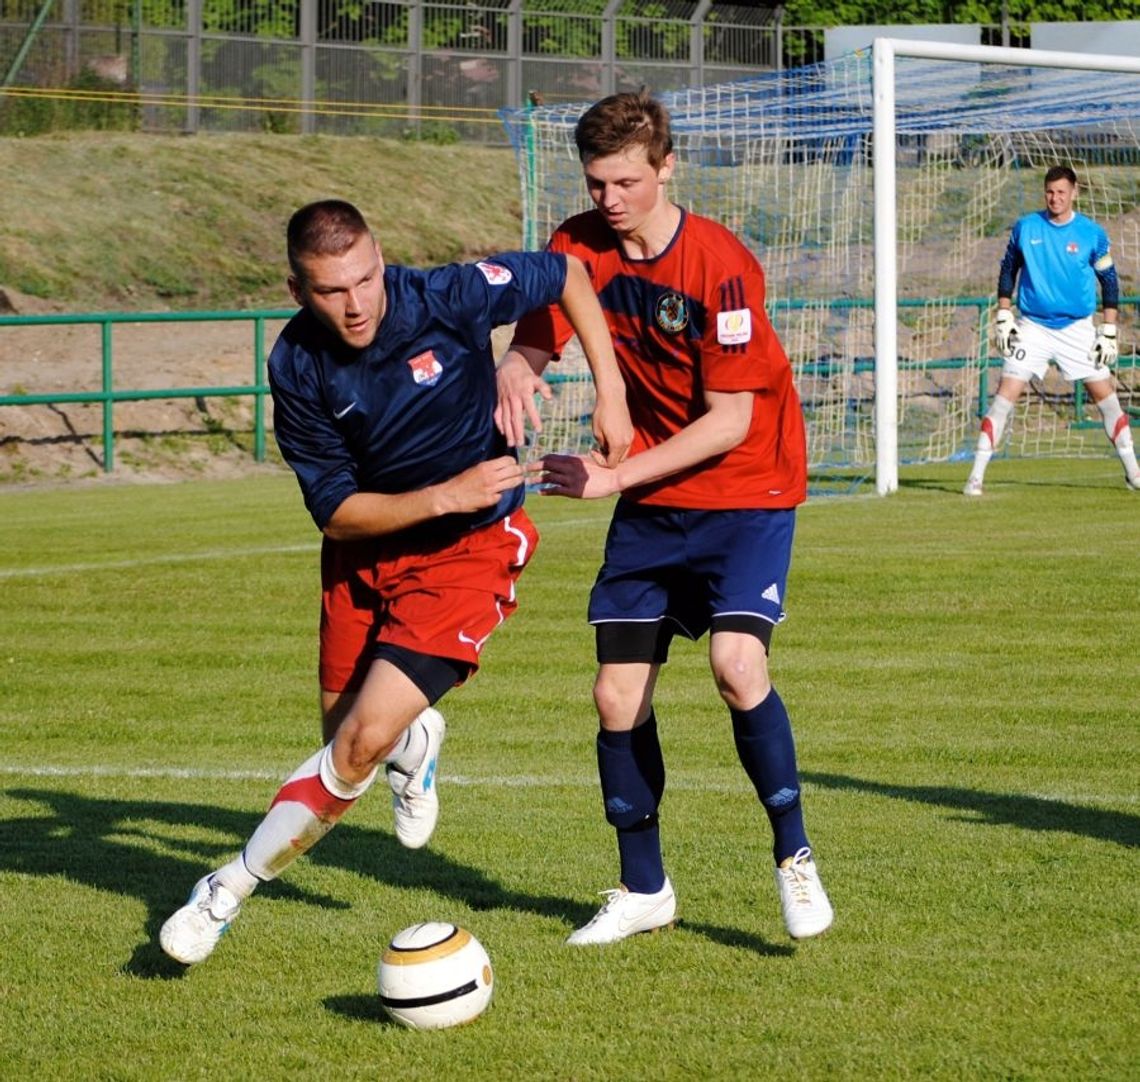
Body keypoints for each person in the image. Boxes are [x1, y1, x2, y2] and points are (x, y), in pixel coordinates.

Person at [159, 199, 631, 965]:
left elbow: (570, 274)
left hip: (469, 551)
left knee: (354, 747)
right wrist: (446, 491)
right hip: (367, 552)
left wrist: (607, 393)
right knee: (343, 743)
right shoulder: (297, 365)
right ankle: (416, 736)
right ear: (297, 289)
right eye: (332, 291)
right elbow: (339, 515)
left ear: (383, 260)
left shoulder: (448, 295)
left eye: (367, 278)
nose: (356, 303)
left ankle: (223, 891)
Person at [496, 91, 833, 945]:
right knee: (615, 695)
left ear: (667, 166)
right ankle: (643, 888)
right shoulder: (577, 243)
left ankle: (793, 857)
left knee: (735, 665)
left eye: (628, 181)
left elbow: (732, 420)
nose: (610, 199)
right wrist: (516, 369)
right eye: (598, 181)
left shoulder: (719, 265)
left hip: (746, 490)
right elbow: (543, 327)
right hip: (653, 497)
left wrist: (613, 480)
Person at [964, 165, 1139, 496]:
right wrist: (1004, 314)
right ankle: (975, 478)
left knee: (1108, 401)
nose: (1055, 198)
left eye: (1061, 192)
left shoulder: (1092, 234)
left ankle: (1134, 473)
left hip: (1077, 329)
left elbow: (1110, 280)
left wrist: (1109, 329)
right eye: (1050, 191)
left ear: (1074, 193)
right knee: (1003, 397)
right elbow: (1008, 269)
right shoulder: (1026, 227)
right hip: (1034, 327)